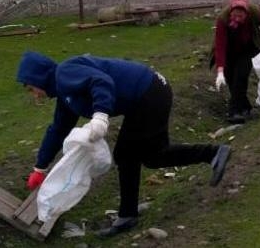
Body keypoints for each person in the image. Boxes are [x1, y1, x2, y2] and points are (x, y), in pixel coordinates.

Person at [17, 51, 231, 237]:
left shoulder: (64, 73)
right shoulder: (65, 95)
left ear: (39, 77)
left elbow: (100, 81)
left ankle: (127, 215)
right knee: (154, 156)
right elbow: (58, 130)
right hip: (151, 92)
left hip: (149, 92)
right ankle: (213, 153)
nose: (34, 94)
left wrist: (100, 116)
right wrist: (40, 167)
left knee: (126, 154)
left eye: (31, 88)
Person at [213, 0, 260, 124]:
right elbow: (220, 45)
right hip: (230, 50)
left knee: (240, 75)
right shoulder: (223, 19)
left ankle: (234, 112)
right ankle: (246, 108)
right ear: (230, 12)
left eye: (240, 16)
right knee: (231, 79)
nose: (237, 18)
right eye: (235, 15)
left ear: (246, 13)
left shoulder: (255, 12)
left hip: (249, 48)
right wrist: (220, 70)